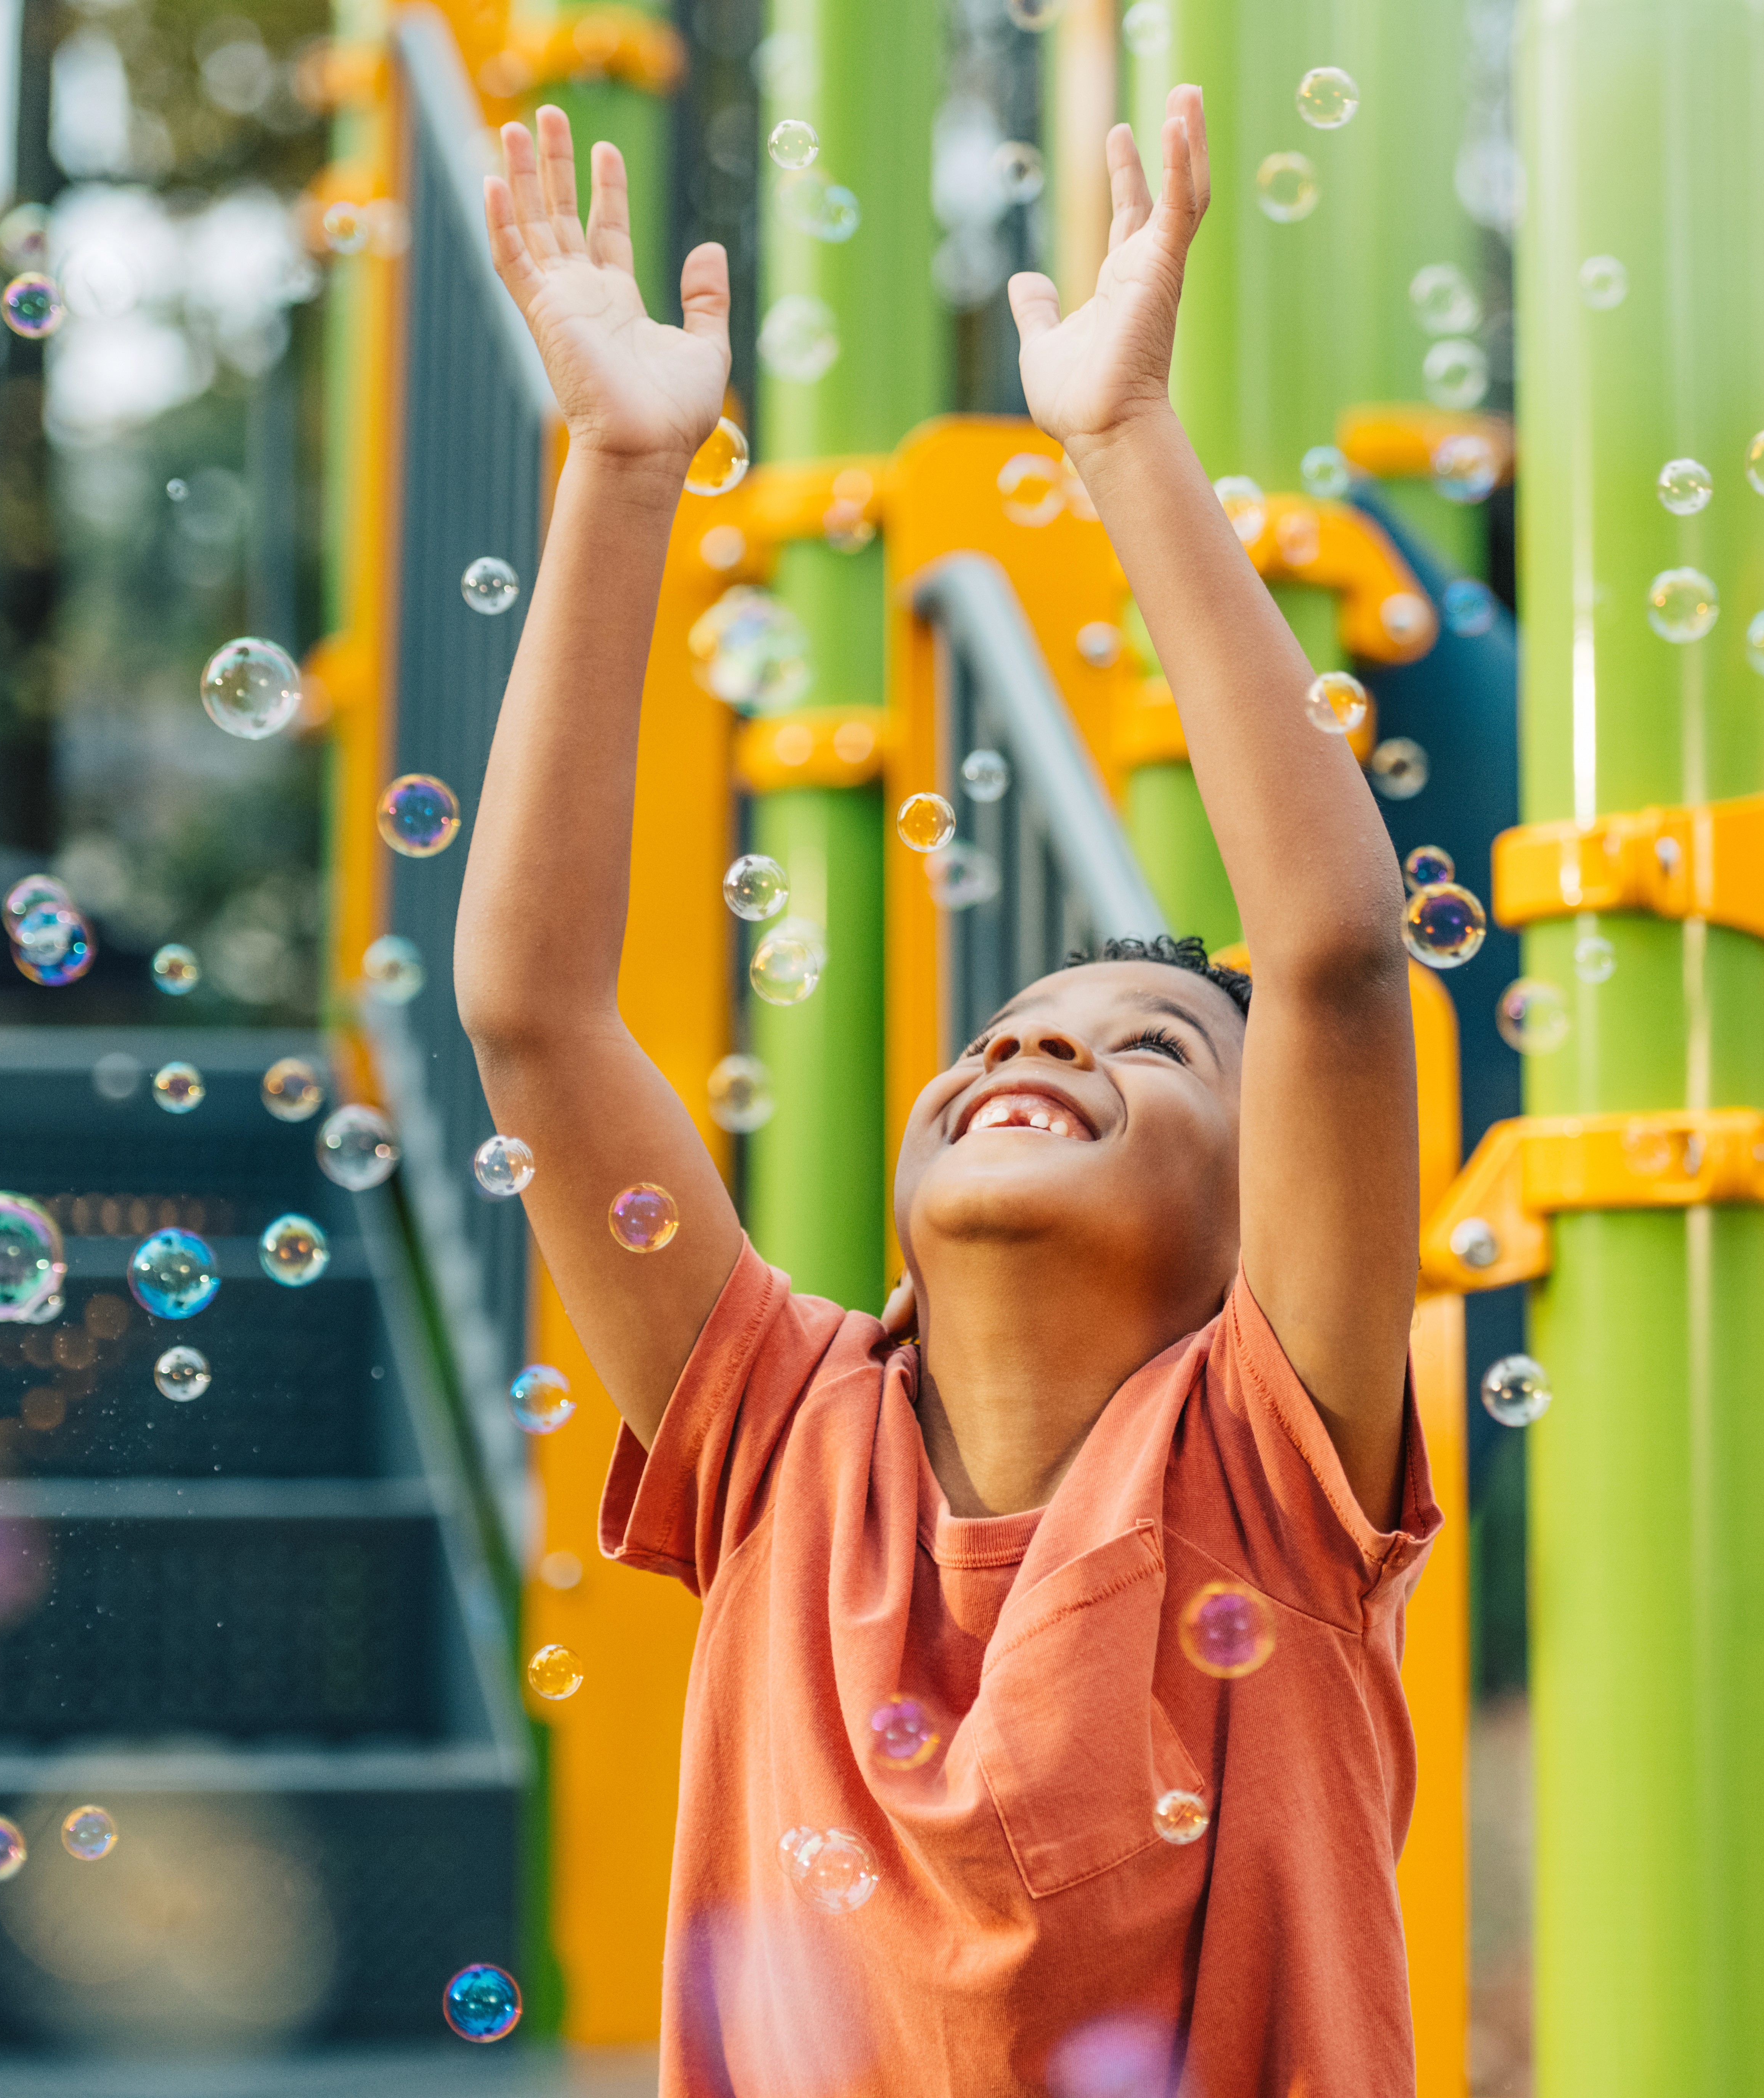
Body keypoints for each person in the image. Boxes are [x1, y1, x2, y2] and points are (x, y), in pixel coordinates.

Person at [453, 81, 1434, 2098]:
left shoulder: (1268, 1458)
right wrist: (624, 467)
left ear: (1272, 1223)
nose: (1036, 1043)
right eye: (997, 1041)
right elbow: (535, 1015)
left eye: (1150, 1046)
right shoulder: (779, 1440)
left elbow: (1334, 954)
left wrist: (1126, 442)